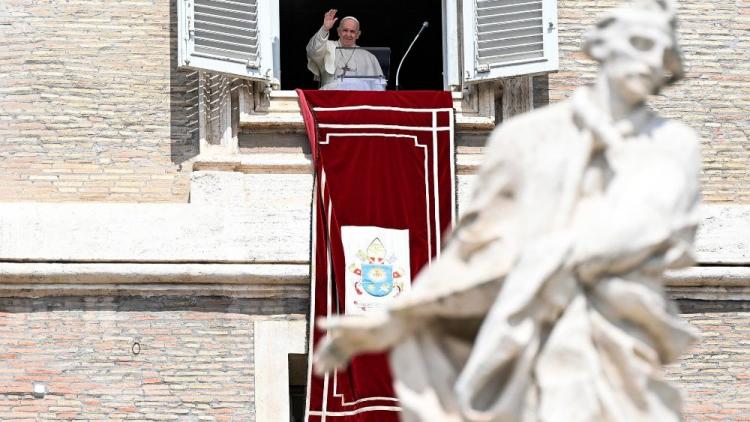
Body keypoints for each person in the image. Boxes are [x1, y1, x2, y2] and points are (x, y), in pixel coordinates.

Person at [313, 0, 701, 421]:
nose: (648, 61)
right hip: (532, 336)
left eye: (661, 52)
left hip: (620, 338)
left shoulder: (674, 145)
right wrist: (400, 313)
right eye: (639, 43)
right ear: (602, 48)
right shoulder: (524, 138)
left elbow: (661, 232)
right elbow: (473, 246)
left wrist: (555, 252)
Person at [306, 9, 385, 90]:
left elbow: (379, 86)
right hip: (330, 98)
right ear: (338, 31)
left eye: (352, 31)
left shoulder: (369, 57)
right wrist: (324, 29)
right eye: (345, 30)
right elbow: (313, 51)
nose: (348, 34)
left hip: (360, 101)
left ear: (358, 34)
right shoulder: (327, 46)